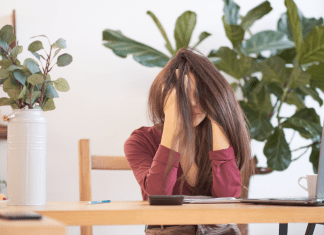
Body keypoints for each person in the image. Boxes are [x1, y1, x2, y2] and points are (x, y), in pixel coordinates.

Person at [124, 47, 254, 235]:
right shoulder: (140, 141)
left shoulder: (220, 138)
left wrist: (219, 117)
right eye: (185, 95)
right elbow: (157, 196)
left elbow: (226, 198)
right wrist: (172, 123)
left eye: (202, 95)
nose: (194, 104)